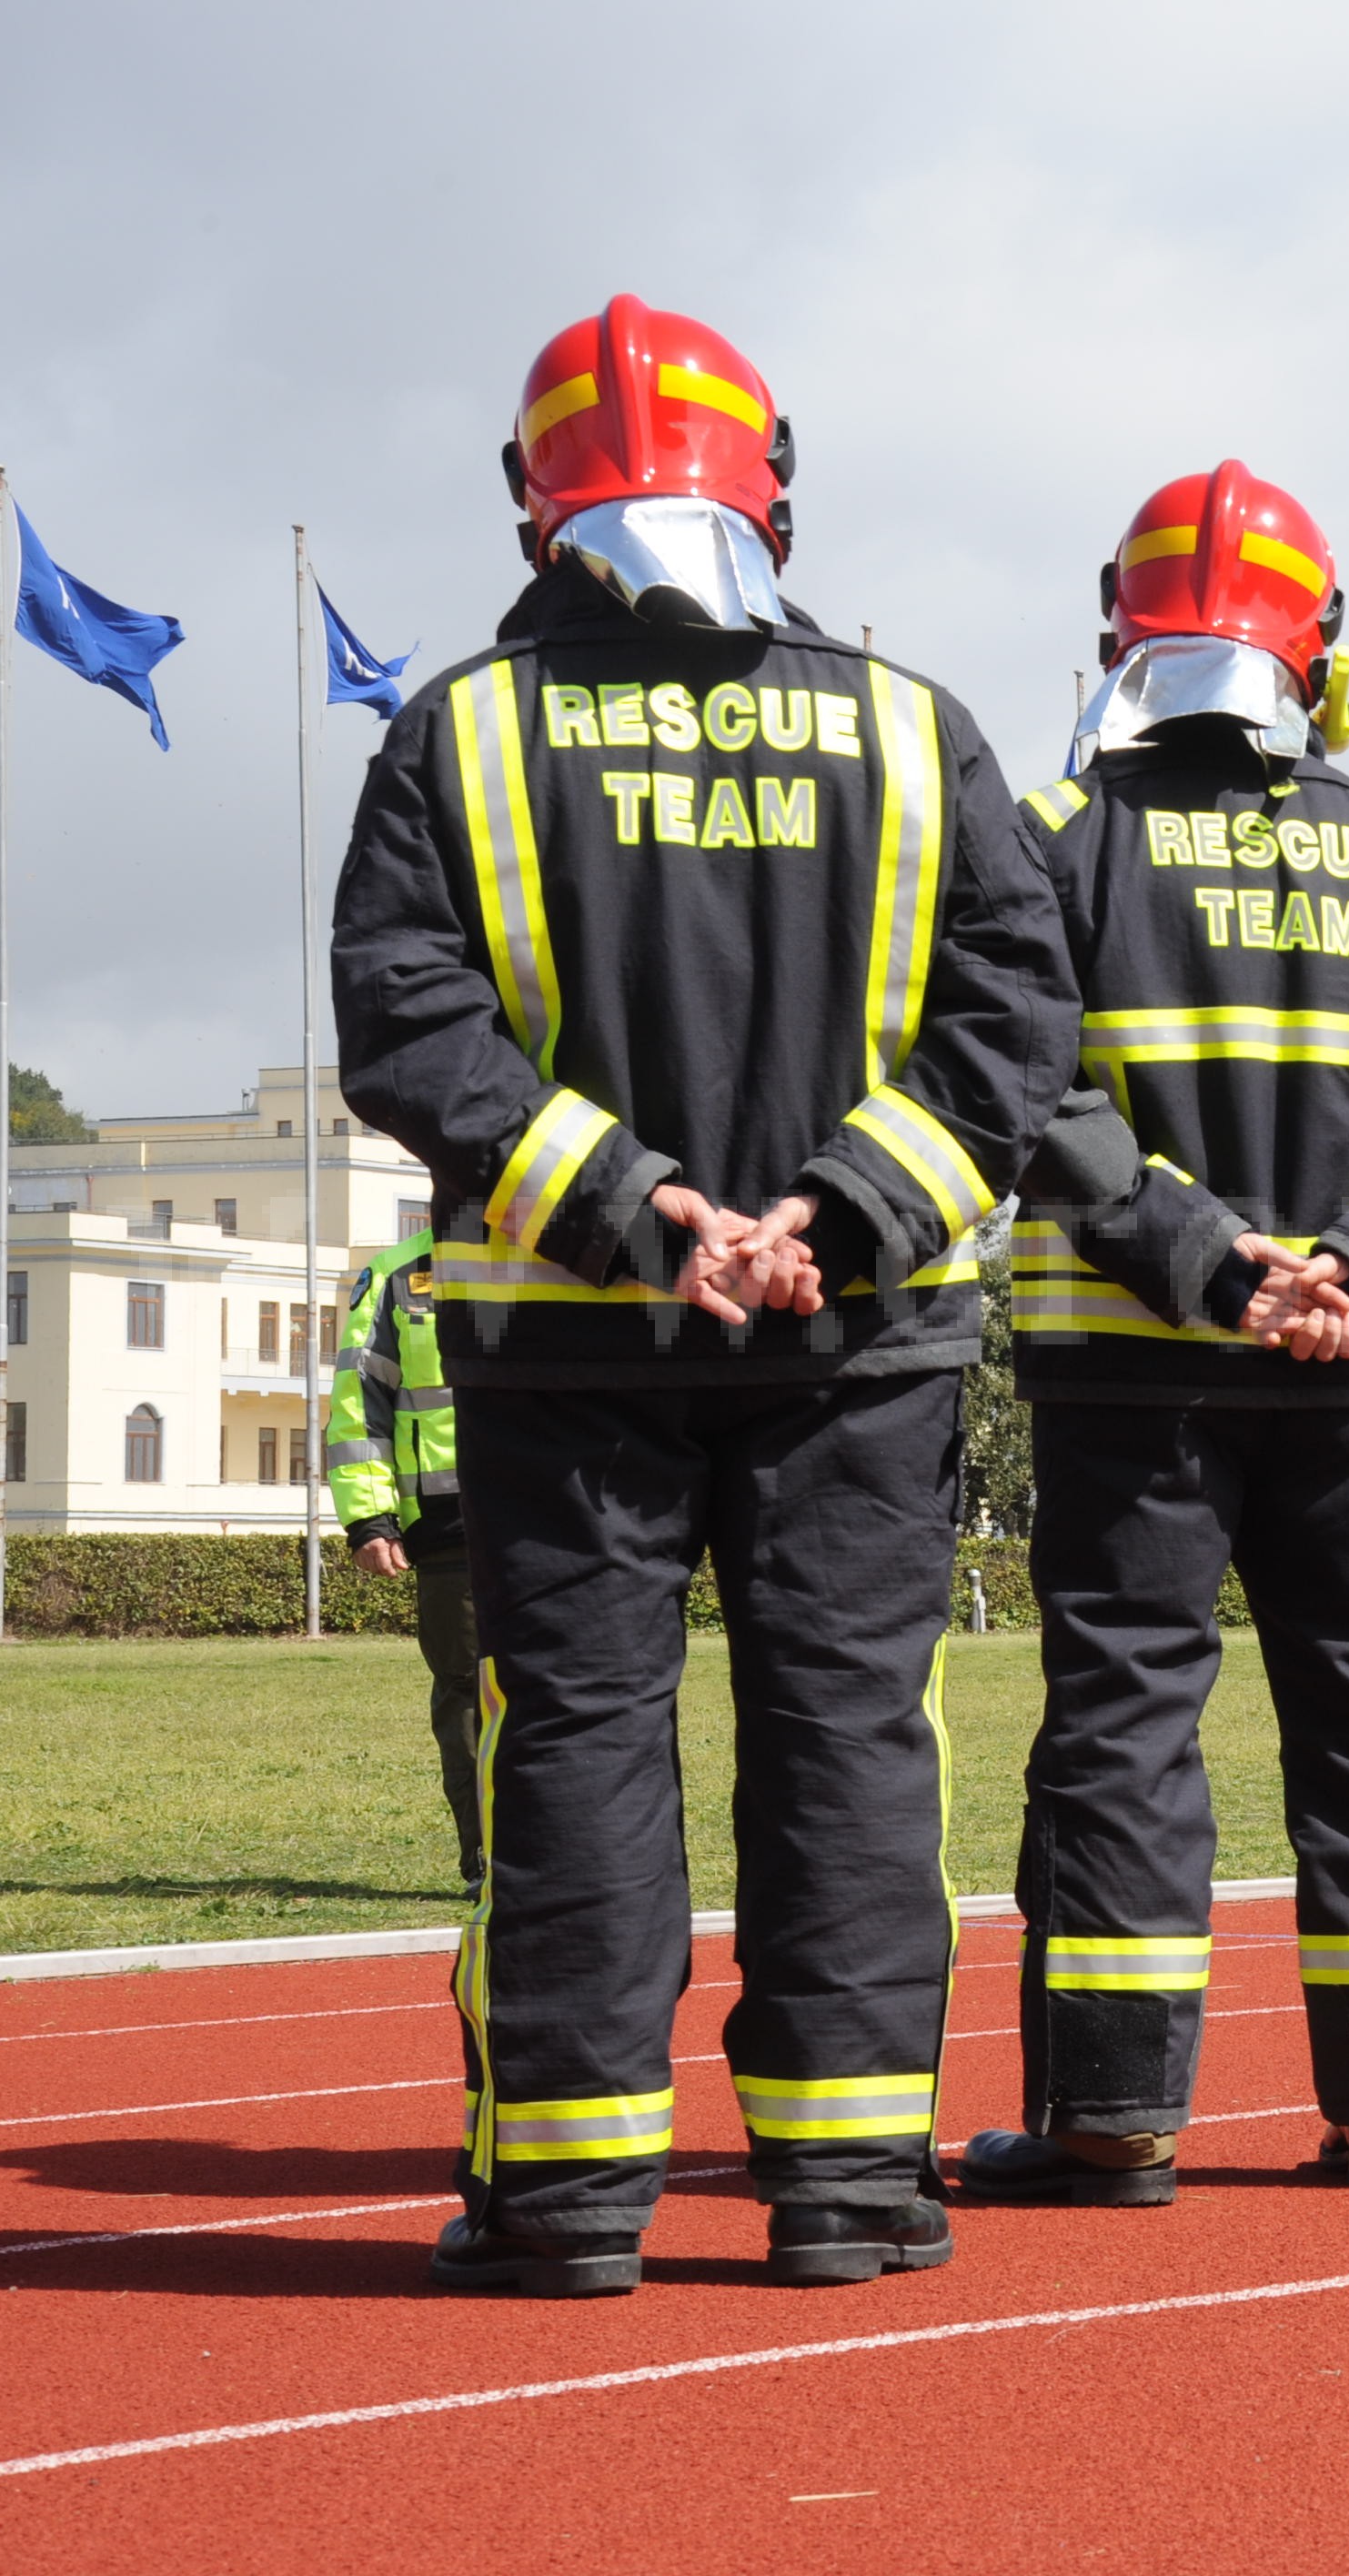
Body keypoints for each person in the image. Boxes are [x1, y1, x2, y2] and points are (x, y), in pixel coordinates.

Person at [335, 295, 1078, 2294]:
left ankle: (569, 2200)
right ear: (775, 490)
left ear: (530, 508)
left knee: (571, 1745)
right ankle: (845, 2192)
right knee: (848, 1742)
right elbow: (1017, 1028)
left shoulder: (460, 731)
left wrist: (640, 1204)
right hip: (859, 1347)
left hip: (565, 1339)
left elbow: (405, 1018)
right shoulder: (916, 726)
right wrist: (827, 1220)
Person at [953, 459, 1349, 2209]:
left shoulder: (1055, 844)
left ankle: (1115, 2119)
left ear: (1121, 637)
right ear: (1324, 643)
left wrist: (1209, 1264)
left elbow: (1017, 1089)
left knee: (1127, 1725)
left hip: (1133, 1374)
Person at [325, 1227, 480, 1901]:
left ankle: (580, 1860)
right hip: (451, 1532)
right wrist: (369, 1517)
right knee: (471, 1698)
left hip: (571, 1527)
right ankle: (492, 1859)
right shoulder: (398, 1274)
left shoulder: (568, 1253)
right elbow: (360, 1402)